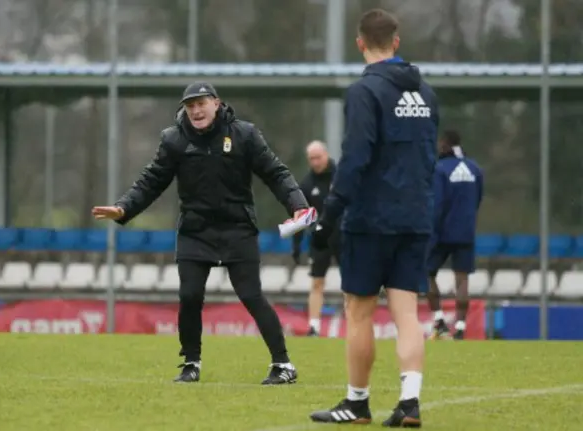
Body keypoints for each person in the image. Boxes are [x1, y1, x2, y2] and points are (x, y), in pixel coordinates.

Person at [92, 82, 311, 385]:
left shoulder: (244, 134)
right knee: (190, 295)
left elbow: (276, 173)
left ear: (216, 103)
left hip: (237, 228)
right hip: (195, 231)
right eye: (190, 106)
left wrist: (298, 205)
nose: (195, 111)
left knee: (251, 295)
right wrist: (123, 208)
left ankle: (283, 364)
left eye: (201, 104)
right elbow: (151, 181)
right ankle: (190, 364)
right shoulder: (174, 140)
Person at [308, 9, 438, 427]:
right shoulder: (426, 94)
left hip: (370, 219)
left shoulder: (364, 91)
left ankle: (357, 402)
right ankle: (410, 402)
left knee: (359, 311)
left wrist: (330, 214)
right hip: (415, 216)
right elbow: (428, 158)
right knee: (406, 312)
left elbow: (355, 158)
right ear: (396, 43)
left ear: (360, 43)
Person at [427, 130, 483, 341]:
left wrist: (432, 231)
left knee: (426, 273)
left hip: (442, 232)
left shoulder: (440, 169)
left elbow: (437, 203)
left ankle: (439, 322)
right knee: (462, 279)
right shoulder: (475, 169)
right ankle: (460, 328)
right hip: (465, 232)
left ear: (444, 145)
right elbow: (478, 199)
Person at [291, 140, 341, 337]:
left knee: (350, 283)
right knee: (317, 282)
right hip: (320, 239)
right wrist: (296, 245)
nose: (315, 162)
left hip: (343, 236)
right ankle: (314, 326)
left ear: (326, 155)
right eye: (311, 159)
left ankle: (355, 321)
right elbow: (301, 216)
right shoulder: (307, 184)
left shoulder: (341, 176)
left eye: (318, 157)